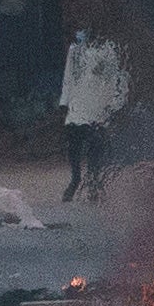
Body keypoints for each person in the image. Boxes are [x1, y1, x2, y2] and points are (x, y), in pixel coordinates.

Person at [59, 30, 130, 202]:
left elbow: (113, 78)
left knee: (95, 146)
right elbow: (68, 76)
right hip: (77, 104)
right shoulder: (75, 49)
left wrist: (111, 105)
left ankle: (93, 180)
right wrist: (64, 102)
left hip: (97, 104)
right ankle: (76, 178)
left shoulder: (109, 49)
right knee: (74, 146)